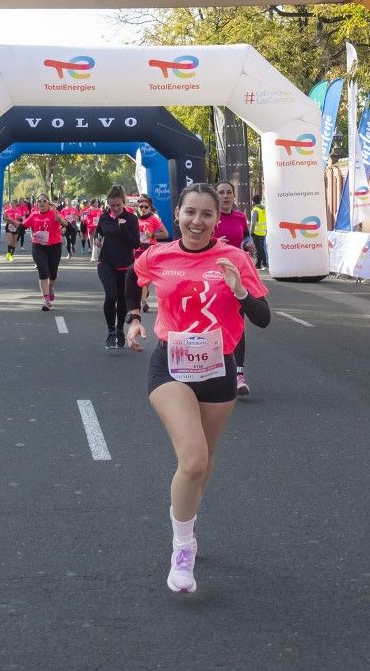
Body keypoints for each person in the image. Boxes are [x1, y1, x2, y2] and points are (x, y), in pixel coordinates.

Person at [127, 183, 271, 593]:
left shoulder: (235, 258)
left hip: (217, 367)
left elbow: (262, 319)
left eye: (206, 214)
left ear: (216, 219)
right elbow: (134, 281)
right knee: (191, 460)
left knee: (204, 464)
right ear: (177, 214)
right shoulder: (158, 255)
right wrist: (134, 317)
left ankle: (186, 516)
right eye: (190, 212)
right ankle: (183, 548)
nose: (197, 221)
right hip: (170, 364)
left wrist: (239, 289)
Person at [213, 181, 254, 396]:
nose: (226, 196)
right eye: (221, 192)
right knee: (216, 323)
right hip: (213, 276)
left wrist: (248, 243)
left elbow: (245, 235)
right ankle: (214, 368)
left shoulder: (239, 217)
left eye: (229, 192)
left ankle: (238, 375)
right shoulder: (210, 217)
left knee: (238, 323)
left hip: (237, 275)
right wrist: (214, 241)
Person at [94, 185, 141, 350]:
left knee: (122, 299)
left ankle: (120, 328)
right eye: (111, 205)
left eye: (118, 205)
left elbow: (136, 243)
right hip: (106, 262)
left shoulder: (131, 218)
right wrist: (97, 239)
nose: (114, 209)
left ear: (123, 202)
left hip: (125, 264)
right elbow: (98, 232)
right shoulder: (105, 217)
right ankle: (111, 331)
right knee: (111, 295)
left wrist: (123, 229)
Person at [129, 193, 169, 313]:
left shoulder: (154, 219)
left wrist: (152, 235)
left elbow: (165, 234)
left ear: (150, 208)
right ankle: (143, 301)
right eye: (141, 207)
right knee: (140, 276)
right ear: (138, 208)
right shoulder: (134, 220)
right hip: (137, 251)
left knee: (146, 278)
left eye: (146, 207)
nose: (143, 209)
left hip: (149, 250)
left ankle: (143, 297)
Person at [24, 195, 64, 310]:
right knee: (43, 270)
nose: (41, 203)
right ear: (37, 204)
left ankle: (50, 287)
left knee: (53, 272)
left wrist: (60, 221)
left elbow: (66, 224)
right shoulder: (34, 215)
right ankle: (46, 300)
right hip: (38, 246)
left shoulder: (55, 213)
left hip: (54, 246)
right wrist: (11, 221)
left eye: (44, 201)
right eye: (39, 201)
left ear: (48, 203)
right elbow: (23, 226)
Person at [248, 194, 268, 270]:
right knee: (262, 248)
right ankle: (265, 263)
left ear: (253, 202)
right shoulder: (264, 209)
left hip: (256, 232)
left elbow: (253, 223)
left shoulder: (255, 210)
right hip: (263, 231)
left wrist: (251, 232)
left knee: (258, 249)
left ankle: (258, 264)